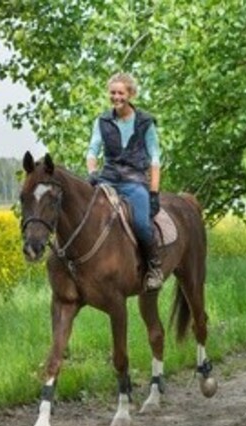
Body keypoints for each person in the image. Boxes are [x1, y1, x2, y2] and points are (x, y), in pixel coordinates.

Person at [85, 72, 165, 291]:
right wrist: (92, 172)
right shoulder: (102, 121)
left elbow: (155, 158)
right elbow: (92, 150)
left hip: (135, 182)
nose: (116, 97)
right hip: (107, 180)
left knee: (140, 223)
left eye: (121, 92)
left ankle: (154, 267)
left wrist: (154, 192)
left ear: (130, 94)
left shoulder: (145, 122)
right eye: (112, 92)